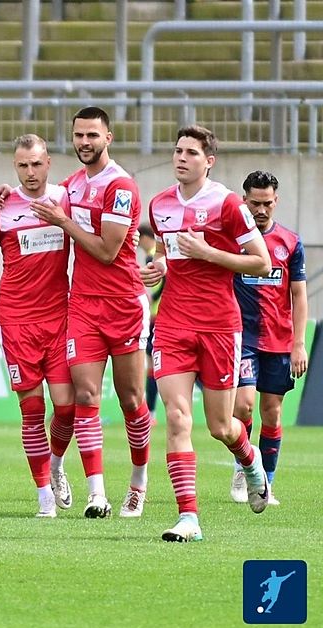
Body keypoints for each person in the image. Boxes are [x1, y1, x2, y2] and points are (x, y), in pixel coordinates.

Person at [0, 107, 153, 518]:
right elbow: (36, 192)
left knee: (133, 399)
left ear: (108, 138)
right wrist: (5, 191)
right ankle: (96, 493)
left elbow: (106, 251)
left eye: (92, 135)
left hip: (124, 304)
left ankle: (138, 482)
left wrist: (64, 221)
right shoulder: (71, 185)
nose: (84, 142)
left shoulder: (120, 187)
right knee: (83, 398)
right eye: (79, 135)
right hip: (81, 305)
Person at [142, 125, 272, 543]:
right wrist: (159, 267)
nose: (181, 157)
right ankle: (188, 518)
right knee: (178, 418)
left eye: (191, 152)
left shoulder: (228, 204)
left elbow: (261, 262)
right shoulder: (159, 204)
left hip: (219, 325)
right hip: (173, 326)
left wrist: (209, 253)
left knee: (221, 426)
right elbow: (167, 252)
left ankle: (250, 462)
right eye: (178, 150)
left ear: (208, 161)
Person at [0, 135, 75, 517]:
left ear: (48, 163)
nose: (30, 172)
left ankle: (56, 465)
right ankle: (43, 494)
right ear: (15, 167)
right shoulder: (1, 207)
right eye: (22, 165)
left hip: (59, 316)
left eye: (36, 164)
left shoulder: (66, 199)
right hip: (16, 319)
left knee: (67, 407)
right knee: (31, 409)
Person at [229, 170, 307, 506]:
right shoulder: (232, 240)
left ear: (276, 201)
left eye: (267, 203)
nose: (261, 210)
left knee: (272, 413)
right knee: (243, 405)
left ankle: (267, 483)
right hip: (241, 337)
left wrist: (299, 343)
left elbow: (299, 296)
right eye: (255, 203)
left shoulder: (290, 242)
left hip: (279, 340)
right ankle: (245, 466)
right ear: (243, 200)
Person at [137, 224, 164, 427]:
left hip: (158, 318)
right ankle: (150, 411)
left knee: (153, 367)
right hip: (159, 316)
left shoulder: (153, 257)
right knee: (152, 367)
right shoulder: (159, 254)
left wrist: (149, 298)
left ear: (146, 237)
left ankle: (151, 412)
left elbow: (161, 284)